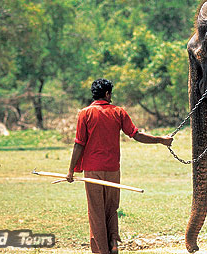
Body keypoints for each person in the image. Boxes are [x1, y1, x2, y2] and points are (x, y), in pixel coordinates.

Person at [67, 78, 173, 254]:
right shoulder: (118, 112)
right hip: (113, 169)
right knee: (111, 208)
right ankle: (113, 242)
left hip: (92, 171)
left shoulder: (85, 114)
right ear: (107, 94)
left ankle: (102, 250)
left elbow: (79, 144)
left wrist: (71, 170)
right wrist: (161, 140)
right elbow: (137, 135)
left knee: (96, 213)